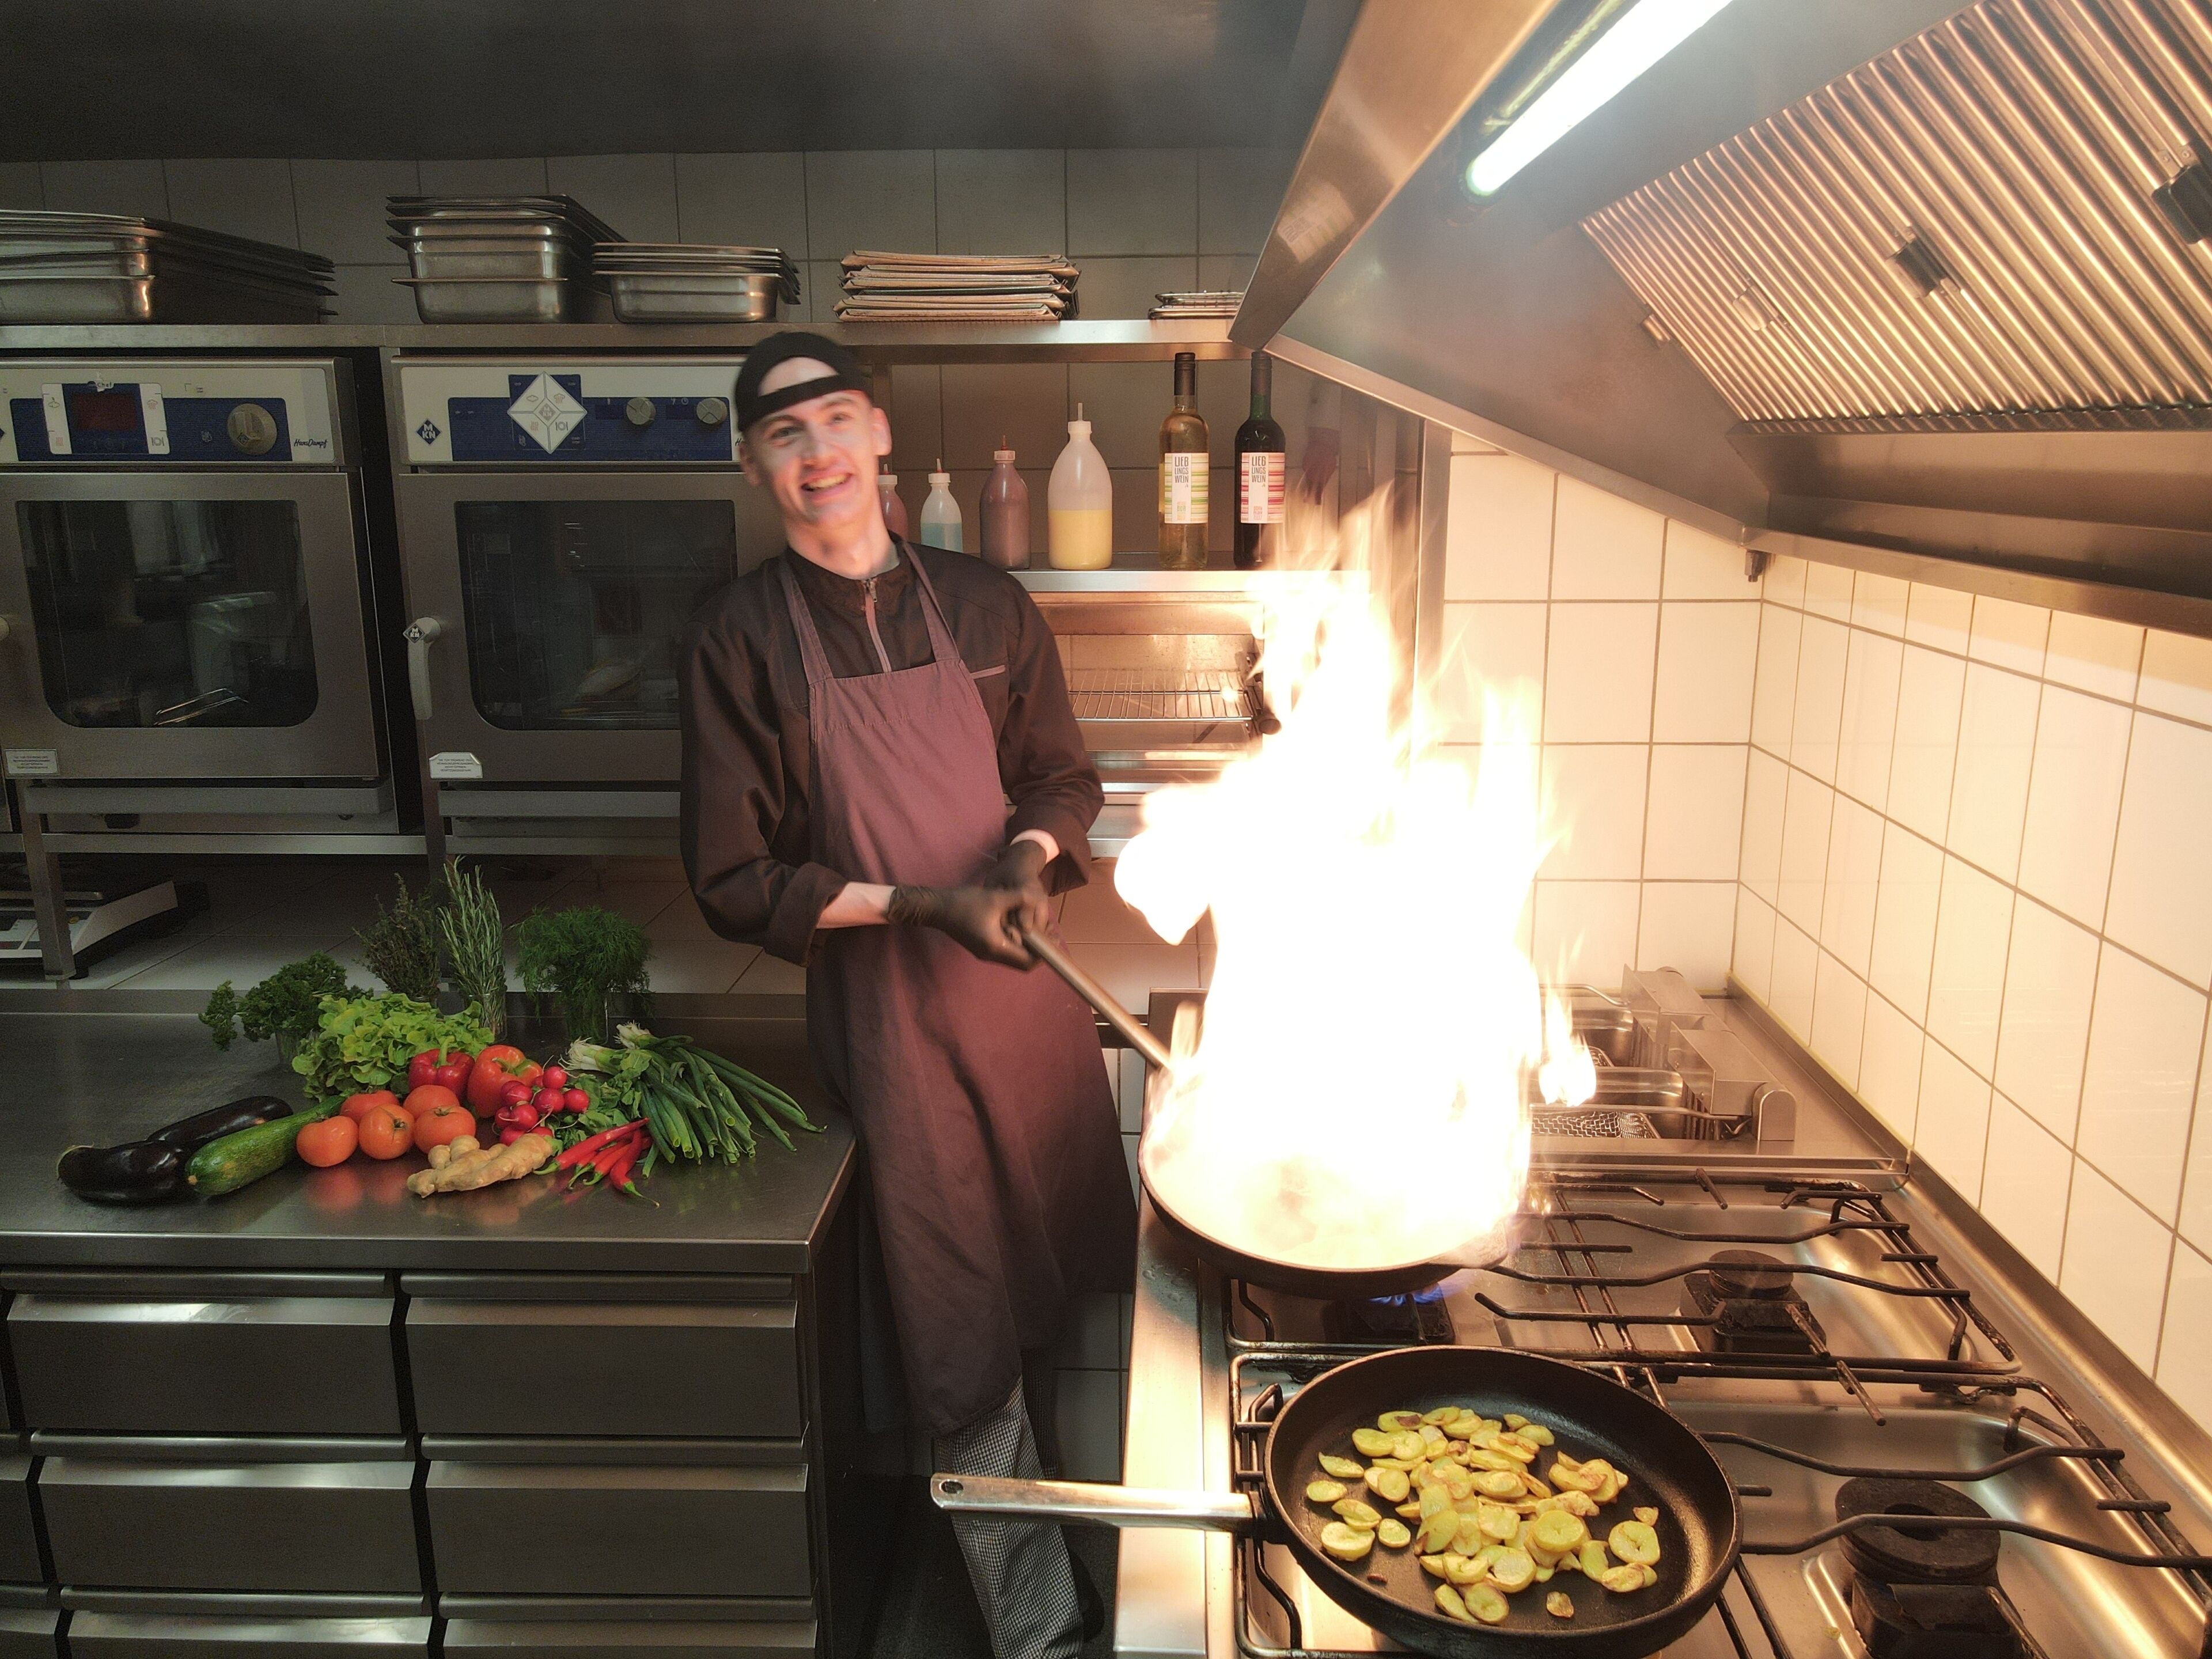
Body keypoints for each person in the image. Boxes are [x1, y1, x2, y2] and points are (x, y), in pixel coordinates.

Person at [679, 332, 1137, 1659]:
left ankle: (1090, 1556)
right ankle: (1042, 1631)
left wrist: (1020, 863)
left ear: (879, 433)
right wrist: (920, 906)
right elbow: (732, 877)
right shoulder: (740, 639)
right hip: (895, 1033)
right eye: (784, 433)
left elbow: (1062, 778)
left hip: (1030, 1011)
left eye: (834, 421)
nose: (817, 453)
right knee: (956, 1335)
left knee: (1047, 1288)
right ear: (755, 461)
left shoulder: (986, 606)